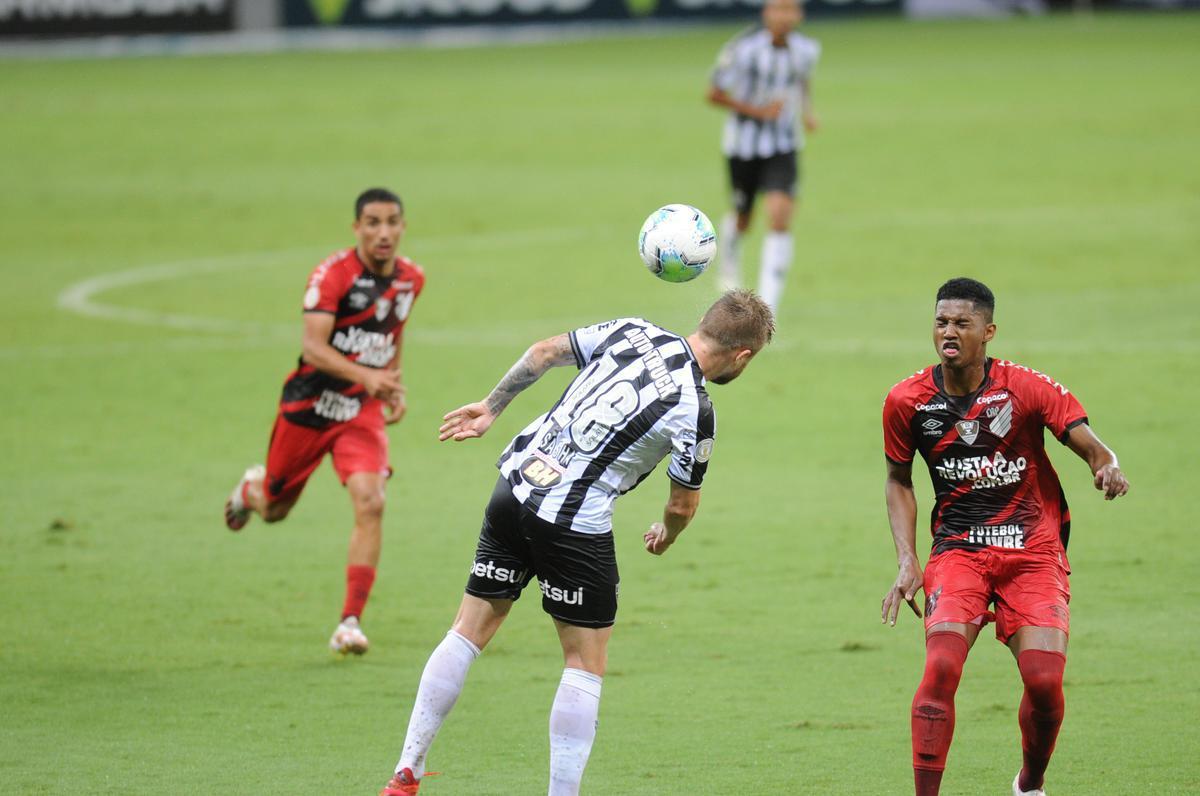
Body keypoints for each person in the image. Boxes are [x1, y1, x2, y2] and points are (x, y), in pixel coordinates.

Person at [379, 291, 774, 796]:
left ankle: (405, 772)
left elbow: (543, 352)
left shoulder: (634, 330)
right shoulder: (695, 408)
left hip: (514, 486)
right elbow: (682, 506)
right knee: (584, 664)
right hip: (572, 525)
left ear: (703, 322)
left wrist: (491, 408)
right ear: (742, 356)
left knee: (468, 629)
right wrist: (666, 534)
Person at [880, 278, 1129, 796]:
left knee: (1044, 684)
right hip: (958, 551)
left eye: (962, 323)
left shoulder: (1025, 388)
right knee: (941, 668)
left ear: (987, 332)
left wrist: (1106, 467)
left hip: (1033, 551)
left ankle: (1029, 784)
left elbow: (1092, 446)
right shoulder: (907, 401)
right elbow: (898, 482)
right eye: (941, 322)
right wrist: (908, 561)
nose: (949, 332)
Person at [223, 187, 425, 655]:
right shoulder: (331, 276)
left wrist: (390, 383)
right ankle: (251, 491)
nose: (383, 232)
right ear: (356, 228)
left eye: (392, 222)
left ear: (403, 227)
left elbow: (391, 334)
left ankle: (350, 622)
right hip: (309, 406)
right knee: (275, 510)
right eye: (372, 223)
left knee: (371, 501)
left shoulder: (411, 279)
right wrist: (367, 376)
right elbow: (313, 348)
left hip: (361, 410)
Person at [707, 0, 820, 314]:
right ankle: (728, 257)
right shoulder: (742, 48)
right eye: (778, 9)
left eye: (791, 9)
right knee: (744, 218)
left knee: (780, 215)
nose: (784, 17)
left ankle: (769, 303)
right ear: (766, 12)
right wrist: (759, 112)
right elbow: (714, 93)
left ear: (799, 14)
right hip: (743, 147)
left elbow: (801, 81)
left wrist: (808, 113)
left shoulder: (806, 49)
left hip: (784, 145)